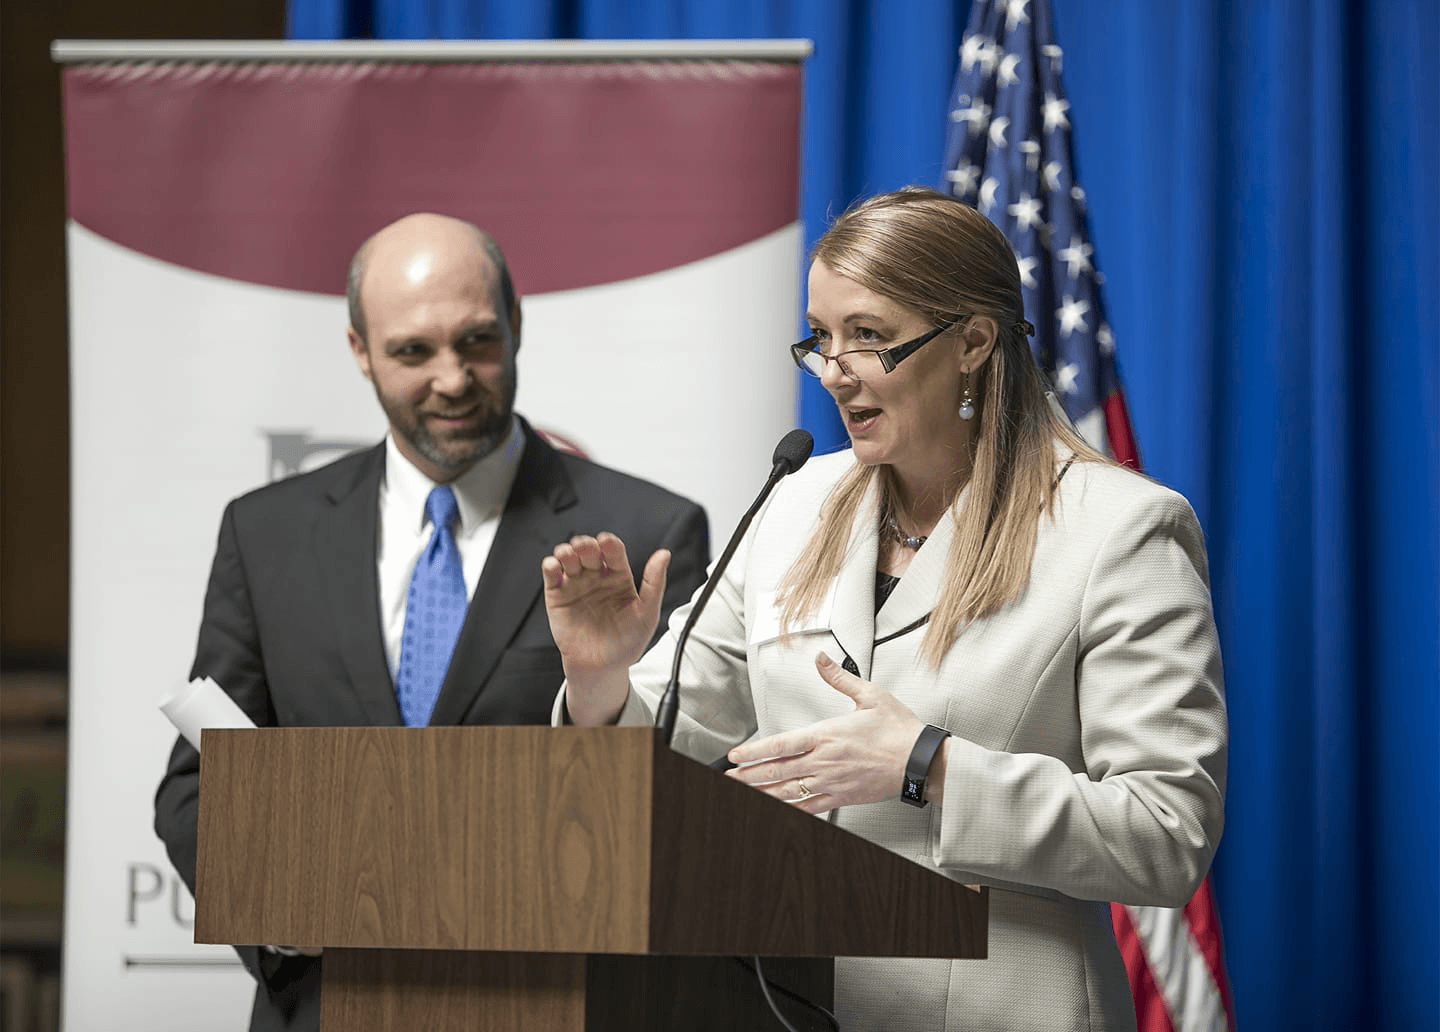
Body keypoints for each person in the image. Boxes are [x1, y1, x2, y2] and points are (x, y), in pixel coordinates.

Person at [542, 187, 1226, 1032]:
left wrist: (929, 765)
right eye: (820, 338)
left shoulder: (1117, 531)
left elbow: (1167, 833)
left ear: (973, 341)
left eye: (868, 337)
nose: (834, 370)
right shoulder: (793, 503)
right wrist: (603, 685)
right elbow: (681, 731)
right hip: (782, 1002)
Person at [153, 212, 710, 1031]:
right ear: (359, 350)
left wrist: (599, 690)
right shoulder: (265, 532)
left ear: (516, 326)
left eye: (477, 341)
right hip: (323, 1006)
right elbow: (196, 788)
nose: (452, 379)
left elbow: (692, 803)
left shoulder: (648, 535)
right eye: (413, 351)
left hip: (560, 1006)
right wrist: (276, 912)